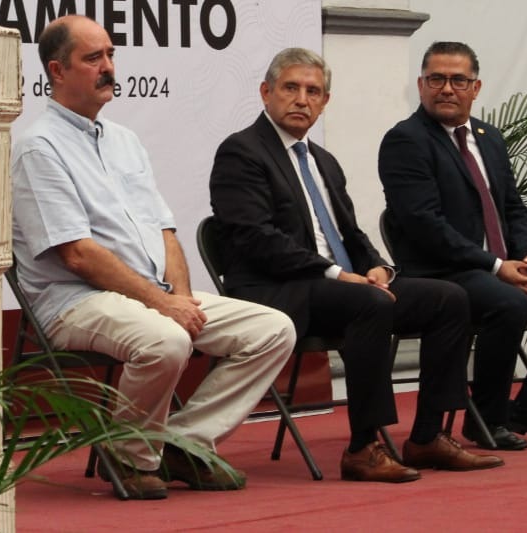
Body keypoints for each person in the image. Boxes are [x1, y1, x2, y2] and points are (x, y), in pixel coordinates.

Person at [11, 15, 296, 500]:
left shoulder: (124, 140)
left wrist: (180, 298)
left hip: (150, 293)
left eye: (111, 54)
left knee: (273, 330)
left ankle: (183, 443)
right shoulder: (38, 147)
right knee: (166, 340)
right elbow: (78, 255)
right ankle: (129, 454)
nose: (108, 67)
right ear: (57, 71)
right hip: (74, 301)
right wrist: (164, 306)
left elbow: (164, 230)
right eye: (93, 58)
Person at [208, 47, 502, 483]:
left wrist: (378, 267)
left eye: (313, 92)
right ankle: (363, 448)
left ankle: (427, 437)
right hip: (277, 291)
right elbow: (256, 239)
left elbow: (351, 236)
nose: (302, 100)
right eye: (291, 88)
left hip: (340, 289)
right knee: (370, 304)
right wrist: (336, 274)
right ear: (266, 92)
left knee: (449, 299)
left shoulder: (322, 161)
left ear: (325, 101)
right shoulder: (242, 152)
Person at [378, 41, 527, 450]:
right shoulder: (406, 140)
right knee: (508, 302)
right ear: (420, 85)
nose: (446, 88)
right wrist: (496, 266)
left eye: (458, 80)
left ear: (476, 87)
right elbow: (425, 225)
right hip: (445, 273)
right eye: (436, 79)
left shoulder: (489, 138)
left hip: (503, 268)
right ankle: (487, 417)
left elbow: (513, 208)